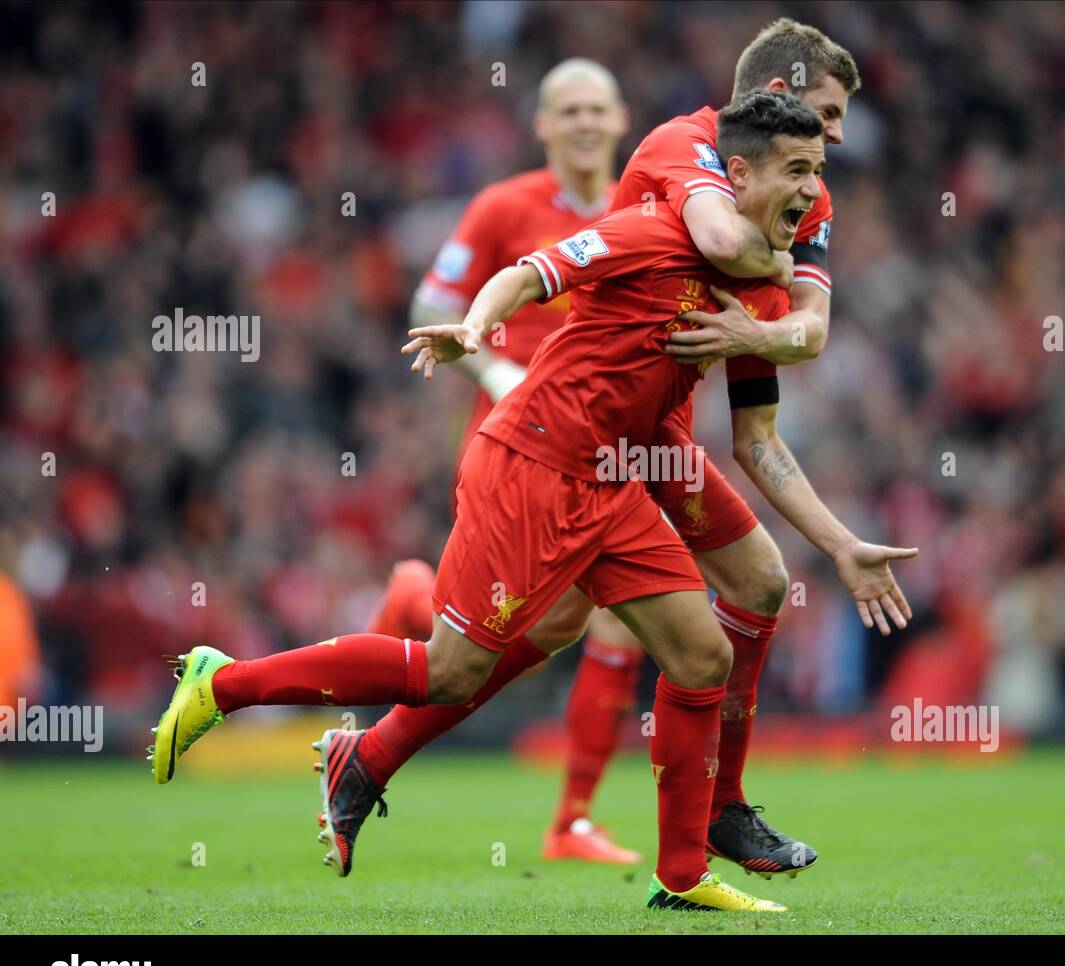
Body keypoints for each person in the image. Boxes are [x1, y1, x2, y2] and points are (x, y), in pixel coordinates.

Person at [150, 91, 916, 912]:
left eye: (819, 172)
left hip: (616, 478)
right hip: (533, 464)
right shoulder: (655, 229)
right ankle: (223, 684)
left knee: (701, 654)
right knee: (450, 673)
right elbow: (528, 272)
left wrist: (832, 523)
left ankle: (684, 876)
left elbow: (773, 393)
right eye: (797, 171)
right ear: (737, 175)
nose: (812, 192)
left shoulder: (757, 288)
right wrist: (476, 330)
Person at [363, 17, 864, 880]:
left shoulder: (776, 192)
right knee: (532, 631)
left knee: (702, 600)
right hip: (533, 431)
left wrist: (768, 320)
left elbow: (794, 351)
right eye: (574, 109)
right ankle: (378, 728)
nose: (591, 124)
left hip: (641, 435)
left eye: (603, 108)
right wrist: (491, 369)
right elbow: (439, 305)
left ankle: (626, 815)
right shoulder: (657, 167)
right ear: (546, 125)